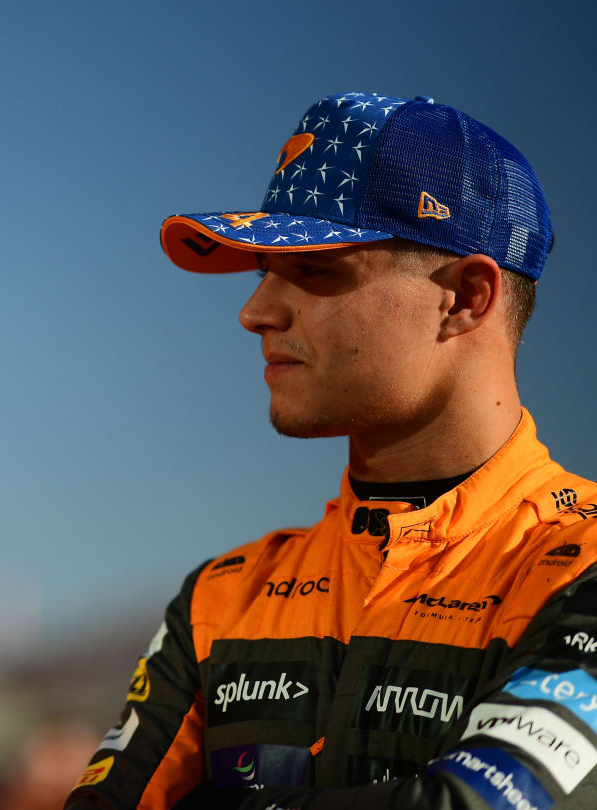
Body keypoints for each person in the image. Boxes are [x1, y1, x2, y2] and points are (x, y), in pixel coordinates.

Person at [66, 92, 597, 809]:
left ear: (467, 298)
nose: (255, 312)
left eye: (314, 270)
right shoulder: (221, 599)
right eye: (262, 272)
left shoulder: (579, 561)